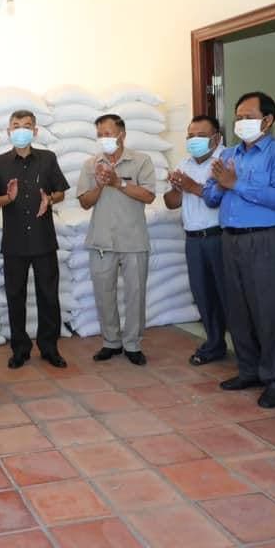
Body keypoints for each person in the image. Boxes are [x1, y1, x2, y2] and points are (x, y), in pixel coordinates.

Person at [203, 91, 275, 408]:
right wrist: (219, 184)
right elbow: (210, 197)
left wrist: (236, 184)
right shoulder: (229, 153)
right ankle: (249, 370)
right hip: (230, 237)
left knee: (270, 310)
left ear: (268, 120)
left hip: (266, 238)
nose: (241, 122)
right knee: (238, 309)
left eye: (248, 117)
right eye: (238, 117)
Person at [0, 110, 69, 369]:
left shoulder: (47, 159)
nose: (21, 130)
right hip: (14, 242)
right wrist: (8, 198)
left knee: (49, 296)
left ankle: (49, 348)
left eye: (27, 126)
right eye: (16, 125)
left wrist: (49, 199)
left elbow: (61, 192)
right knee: (15, 296)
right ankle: (20, 349)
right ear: (9, 131)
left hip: (44, 240)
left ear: (35, 131)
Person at [77, 114, 157, 365]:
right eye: (100, 134)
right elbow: (84, 202)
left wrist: (118, 182)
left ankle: (133, 344)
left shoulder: (141, 161)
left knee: (135, 294)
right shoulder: (91, 165)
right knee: (104, 294)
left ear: (122, 134)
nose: (104, 138)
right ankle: (111, 342)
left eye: (108, 134)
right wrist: (101, 185)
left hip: (133, 239)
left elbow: (148, 196)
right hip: (102, 240)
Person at [164, 115, 228, 366]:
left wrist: (191, 186)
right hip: (193, 239)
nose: (194, 140)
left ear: (216, 138)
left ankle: (247, 351)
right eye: (190, 136)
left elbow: (222, 197)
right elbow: (171, 203)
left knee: (228, 295)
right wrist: (176, 188)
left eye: (201, 135)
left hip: (219, 236)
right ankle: (214, 343)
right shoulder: (185, 163)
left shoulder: (226, 160)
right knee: (202, 293)